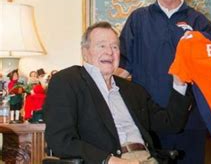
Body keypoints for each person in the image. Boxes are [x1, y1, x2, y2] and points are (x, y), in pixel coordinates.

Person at [44, 21, 193, 163]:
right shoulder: (68, 81)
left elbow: (171, 124)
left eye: (115, 47)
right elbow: (60, 140)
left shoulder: (133, 90)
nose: (109, 52)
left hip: (148, 158)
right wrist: (107, 160)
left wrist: (179, 84)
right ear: (85, 52)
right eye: (101, 46)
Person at [118, 0, 211, 163]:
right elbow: (123, 67)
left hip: (190, 122)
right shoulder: (138, 19)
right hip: (147, 122)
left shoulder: (199, 22)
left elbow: (209, 72)